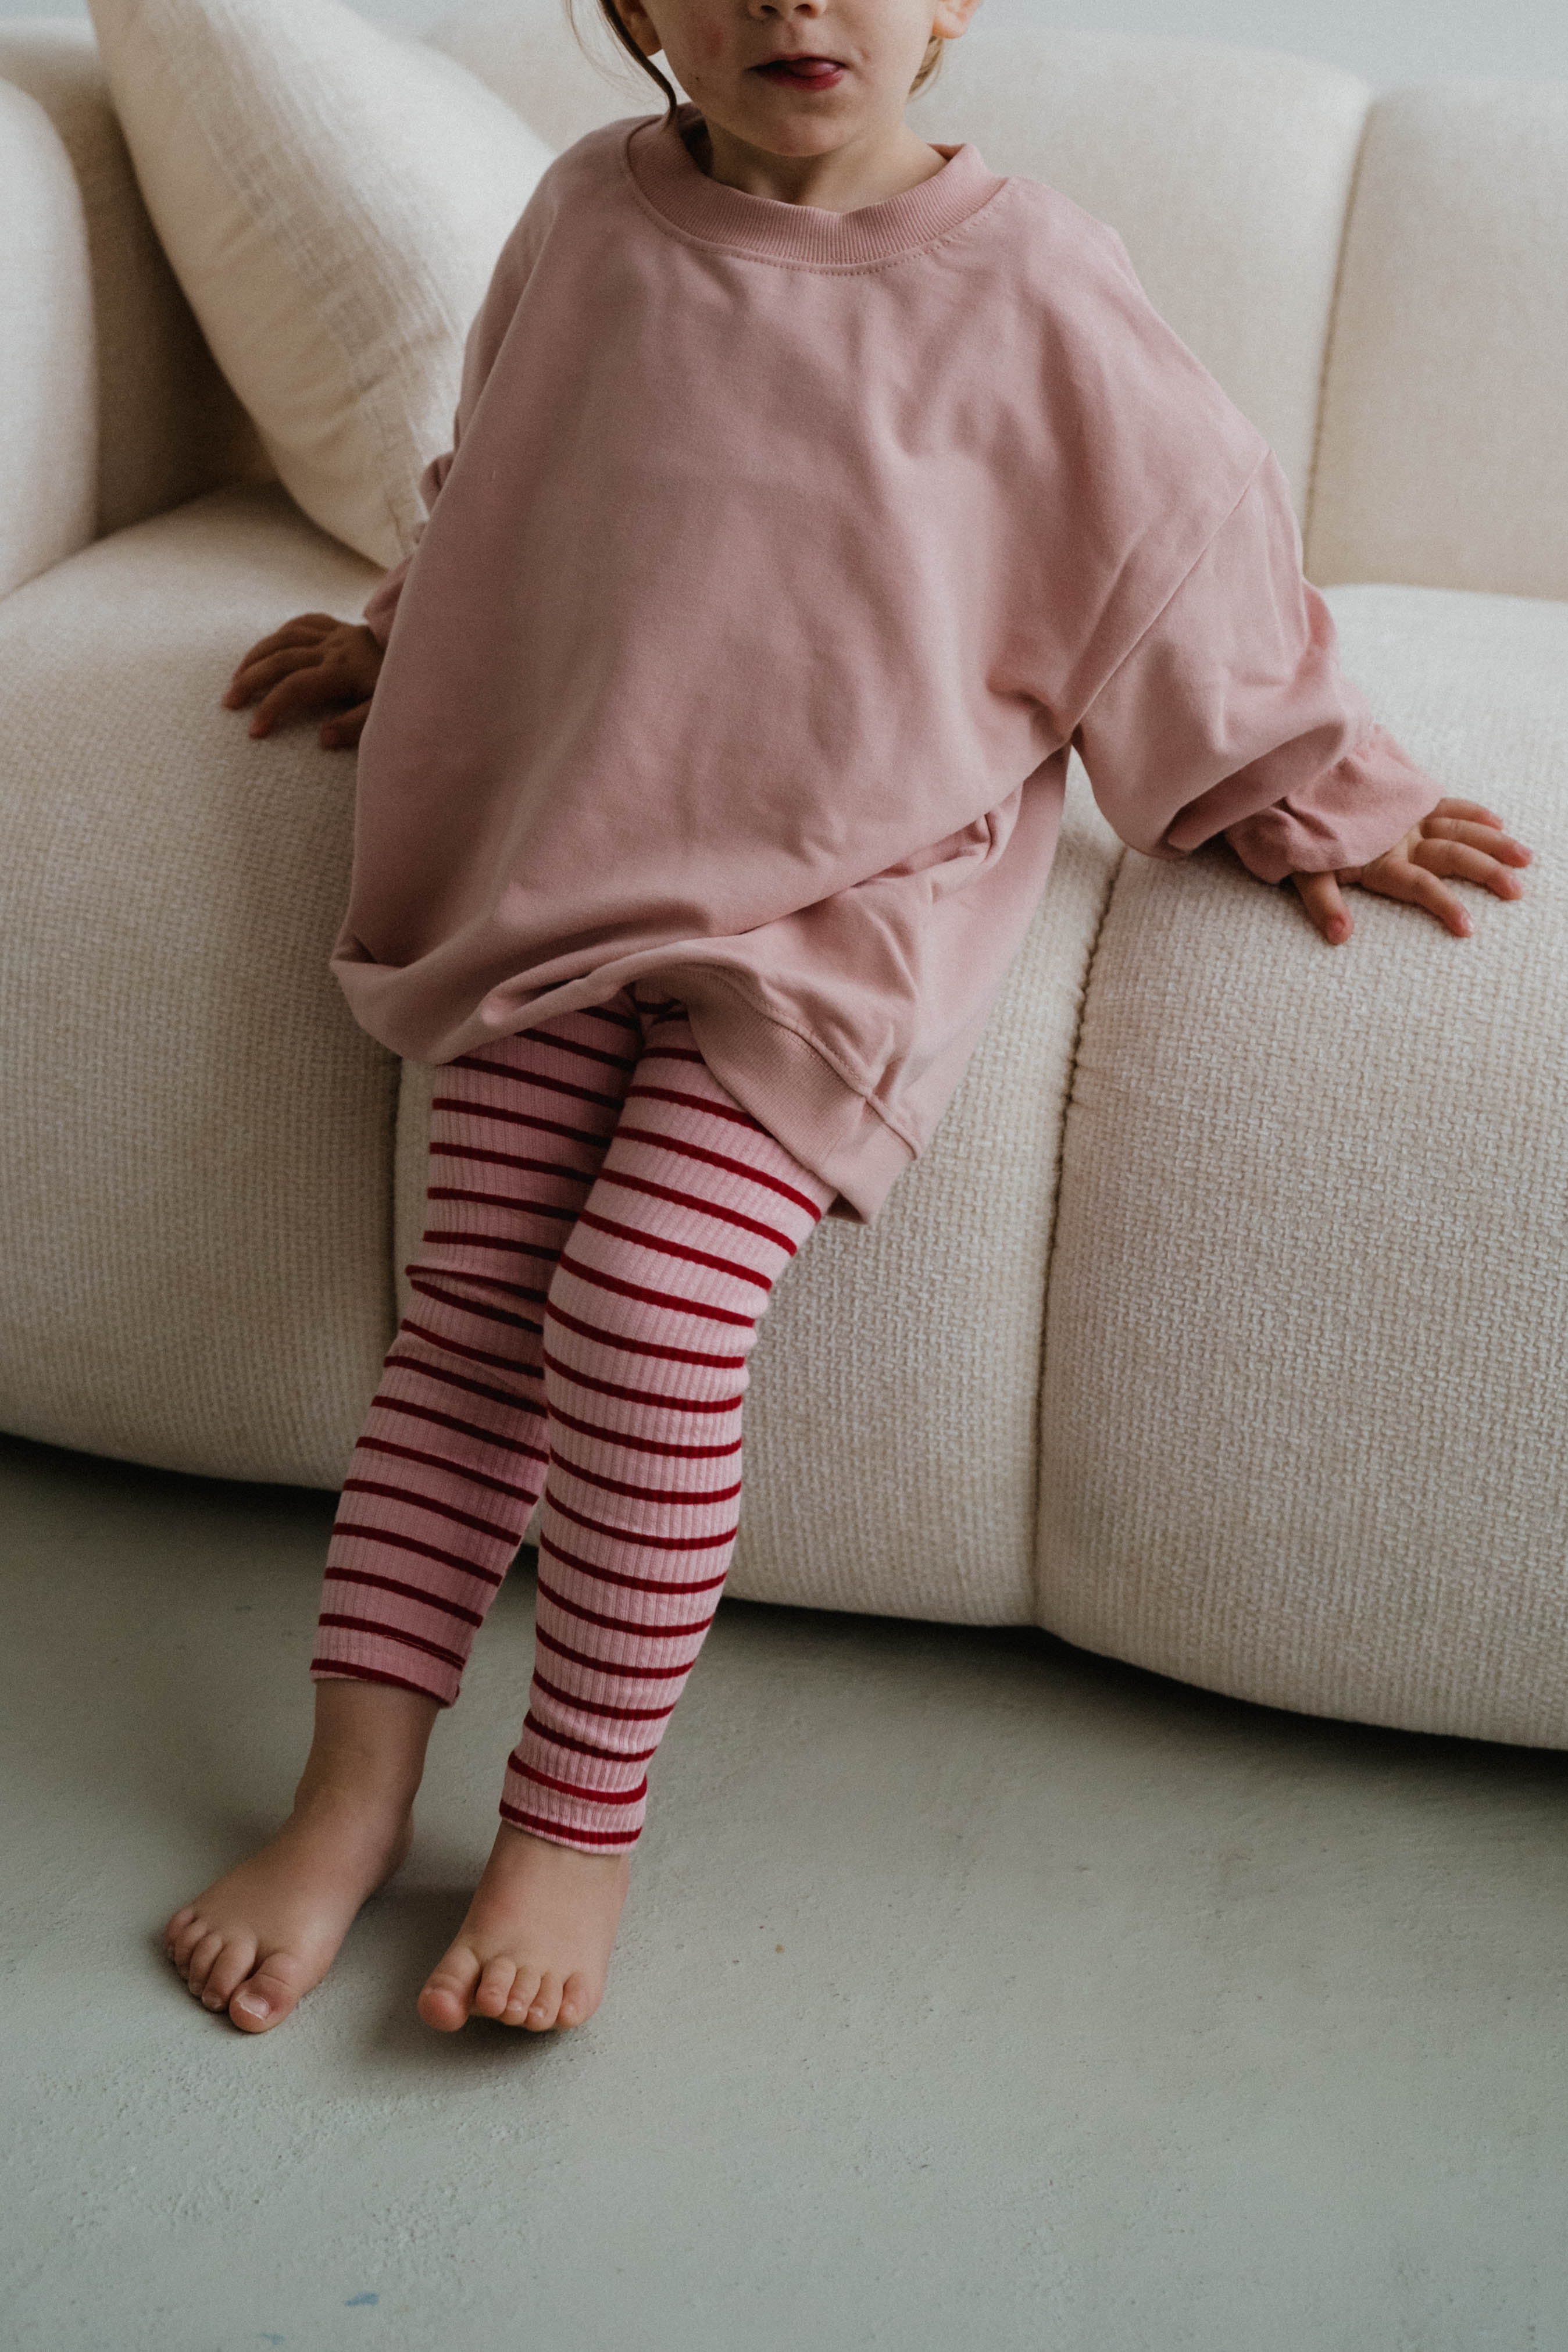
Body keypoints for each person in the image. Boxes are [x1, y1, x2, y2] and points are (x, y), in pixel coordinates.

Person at [163, 0, 1532, 2040]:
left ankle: (573, 1824)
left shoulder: (1035, 277)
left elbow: (1184, 549)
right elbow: (510, 486)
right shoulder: (588, 216)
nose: (793, 2)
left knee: (646, 1313)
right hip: (569, 848)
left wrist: (1317, 792)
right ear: (638, 11)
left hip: (842, 904)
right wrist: (404, 636)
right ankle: (345, 1799)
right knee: (468, 1319)